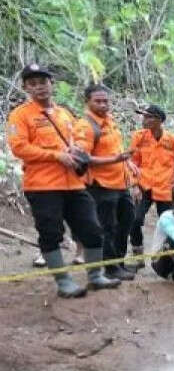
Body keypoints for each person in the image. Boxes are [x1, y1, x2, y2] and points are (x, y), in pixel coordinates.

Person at [5, 63, 119, 297]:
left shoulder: (63, 113)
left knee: (92, 229)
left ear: (51, 84)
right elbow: (19, 148)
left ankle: (96, 276)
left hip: (74, 183)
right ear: (26, 87)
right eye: (33, 84)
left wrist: (76, 151)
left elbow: (74, 140)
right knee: (51, 233)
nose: (39, 88)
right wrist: (56, 156)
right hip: (43, 186)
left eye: (43, 82)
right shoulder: (20, 115)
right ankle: (63, 282)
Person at [74, 84, 136, 281]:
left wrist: (128, 163)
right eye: (98, 101)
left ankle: (119, 263)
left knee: (126, 222)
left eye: (106, 101)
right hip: (101, 186)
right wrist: (115, 160)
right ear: (87, 102)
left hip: (121, 183)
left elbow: (115, 149)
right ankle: (110, 268)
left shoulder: (109, 121)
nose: (103, 104)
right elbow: (82, 158)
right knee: (107, 227)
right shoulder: (85, 126)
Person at [128, 105, 174, 269]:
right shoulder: (139, 137)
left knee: (168, 224)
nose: (145, 120)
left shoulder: (173, 140)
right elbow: (133, 162)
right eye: (144, 117)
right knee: (134, 220)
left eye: (149, 117)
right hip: (144, 185)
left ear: (159, 121)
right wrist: (134, 184)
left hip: (166, 188)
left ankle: (165, 259)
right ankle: (138, 256)